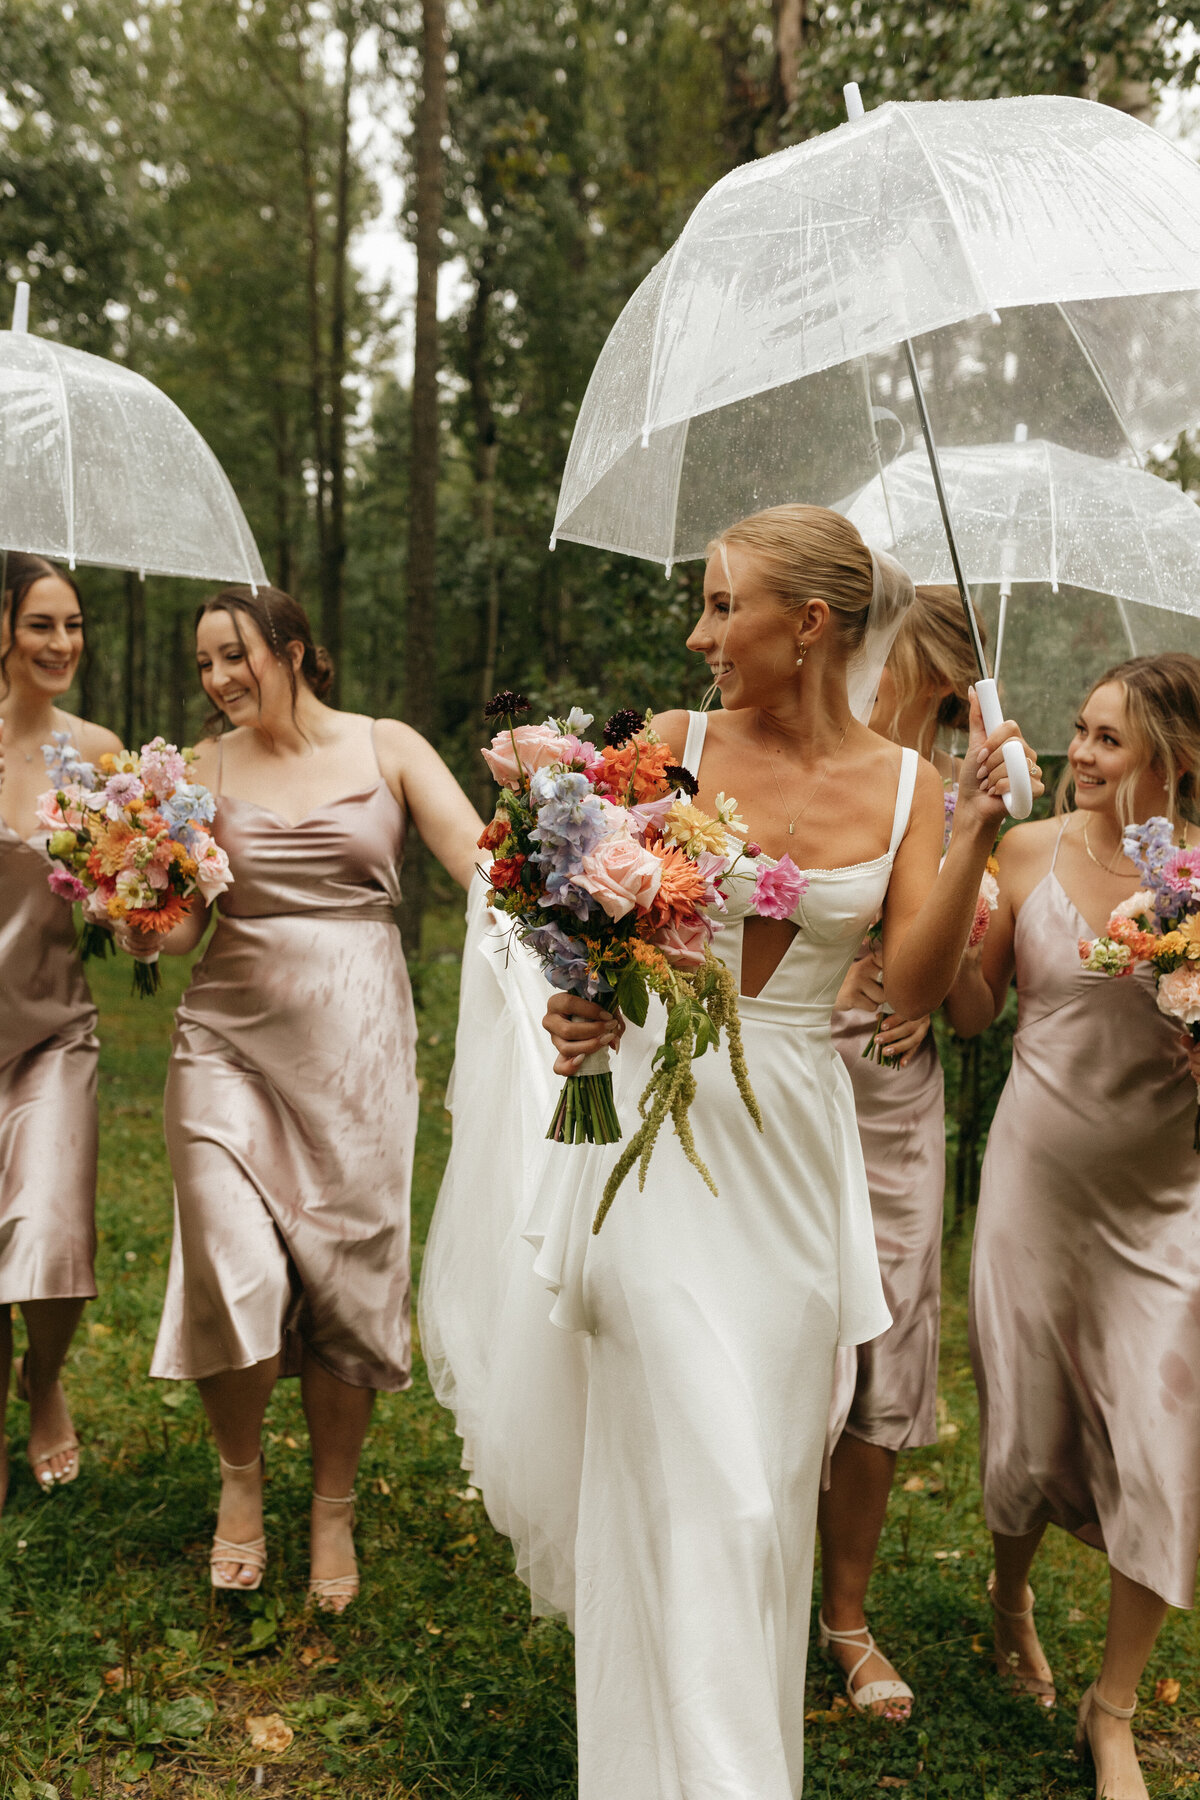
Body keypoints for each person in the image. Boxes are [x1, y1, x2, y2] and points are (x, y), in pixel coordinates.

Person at [425, 505, 1040, 1799]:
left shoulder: (907, 784)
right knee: (726, 1495)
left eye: (722, 606)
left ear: (806, 624)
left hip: (792, 1161)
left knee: (749, 1498)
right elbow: (579, 917)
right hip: (653, 1151)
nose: (701, 635)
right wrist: (581, 994)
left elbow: (917, 985)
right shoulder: (671, 748)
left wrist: (977, 821)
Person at [142, 585, 482, 1609]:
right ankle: (241, 1480)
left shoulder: (389, 748)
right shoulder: (198, 772)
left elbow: (481, 866)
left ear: (293, 648)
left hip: (359, 1050)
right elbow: (174, 930)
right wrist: (131, 911)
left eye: (234, 654)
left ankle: (332, 1504)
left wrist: (587, 881)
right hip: (225, 1046)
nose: (219, 678)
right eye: (204, 663)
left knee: (347, 1276)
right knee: (230, 1263)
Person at [945, 654, 1200, 1800]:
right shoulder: (1027, 851)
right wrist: (959, 888)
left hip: (1166, 1199)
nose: (1078, 755)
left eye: (1106, 739)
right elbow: (970, 1012)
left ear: (1170, 760)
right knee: (1025, 1425)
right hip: (1036, 1181)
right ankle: (1011, 1597)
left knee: (1162, 1437)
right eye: (1080, 732)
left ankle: (1113, 1710)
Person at [820, 584, 981, 1718]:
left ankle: (848, 1617)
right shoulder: (821, 745)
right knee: (788, 1330)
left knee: (885, 1346)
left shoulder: (971, 775)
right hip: (794, 1066)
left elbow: (973, 1007)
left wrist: (932, 972)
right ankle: (760, 1572)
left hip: (893, 1090)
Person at [0, 553, 122, 1503]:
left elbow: (132, 892)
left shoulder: (98, 753)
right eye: (43, 624)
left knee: (52, 1242)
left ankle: (43, 1379)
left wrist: (139, 905)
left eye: (73, 624)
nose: (63, 644)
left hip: (54, 1027)